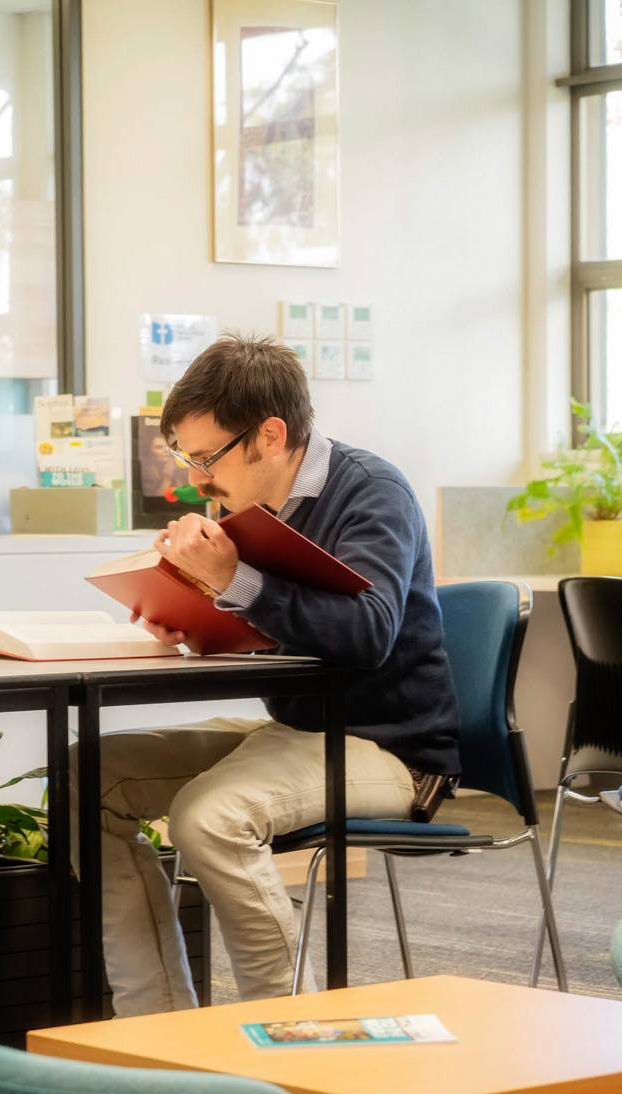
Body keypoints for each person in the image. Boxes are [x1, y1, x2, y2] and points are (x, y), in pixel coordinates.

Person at [73, 334, 461, 1015]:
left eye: (205, 457)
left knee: (210, 817)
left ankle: (289, 1044)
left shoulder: (372, 493)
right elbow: (283, 633)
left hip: (394, 750)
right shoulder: (249, 515)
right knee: (85, 778)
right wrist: (194, 616)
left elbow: (368, 634)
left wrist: (235, 581)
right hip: (299, 730)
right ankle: (159, 1026)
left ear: (271, 434)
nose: (196, 479)